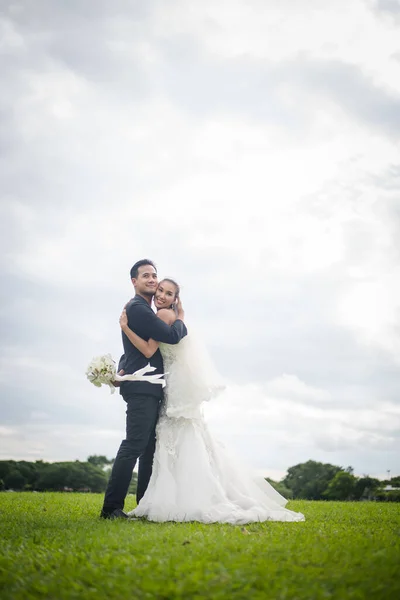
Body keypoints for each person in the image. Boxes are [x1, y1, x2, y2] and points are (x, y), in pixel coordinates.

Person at [119, 278, 305, 524]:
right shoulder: (167, 315)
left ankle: (174, 497)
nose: (162, 296)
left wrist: (125, 327)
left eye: (168, 293)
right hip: (173, 383)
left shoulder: (163, 315)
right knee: (182, 436)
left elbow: (149, 350)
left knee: (172, 436)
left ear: (176, 299)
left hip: (172, 386)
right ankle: (186, 493)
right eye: (161, 291)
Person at [100, 260, 187, 519]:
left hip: (148, 385)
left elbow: (134, 348)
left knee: (148, 450)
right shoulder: (138, 308)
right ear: (134, 281)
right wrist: (181, 316)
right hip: (142, 387)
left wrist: (121, 369)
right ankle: (111, 508)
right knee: (134, 446)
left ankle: (143, 504)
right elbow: (172, 336)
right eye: (145, 276)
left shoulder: (143, 309)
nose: (151, 280)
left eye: (154, 276)